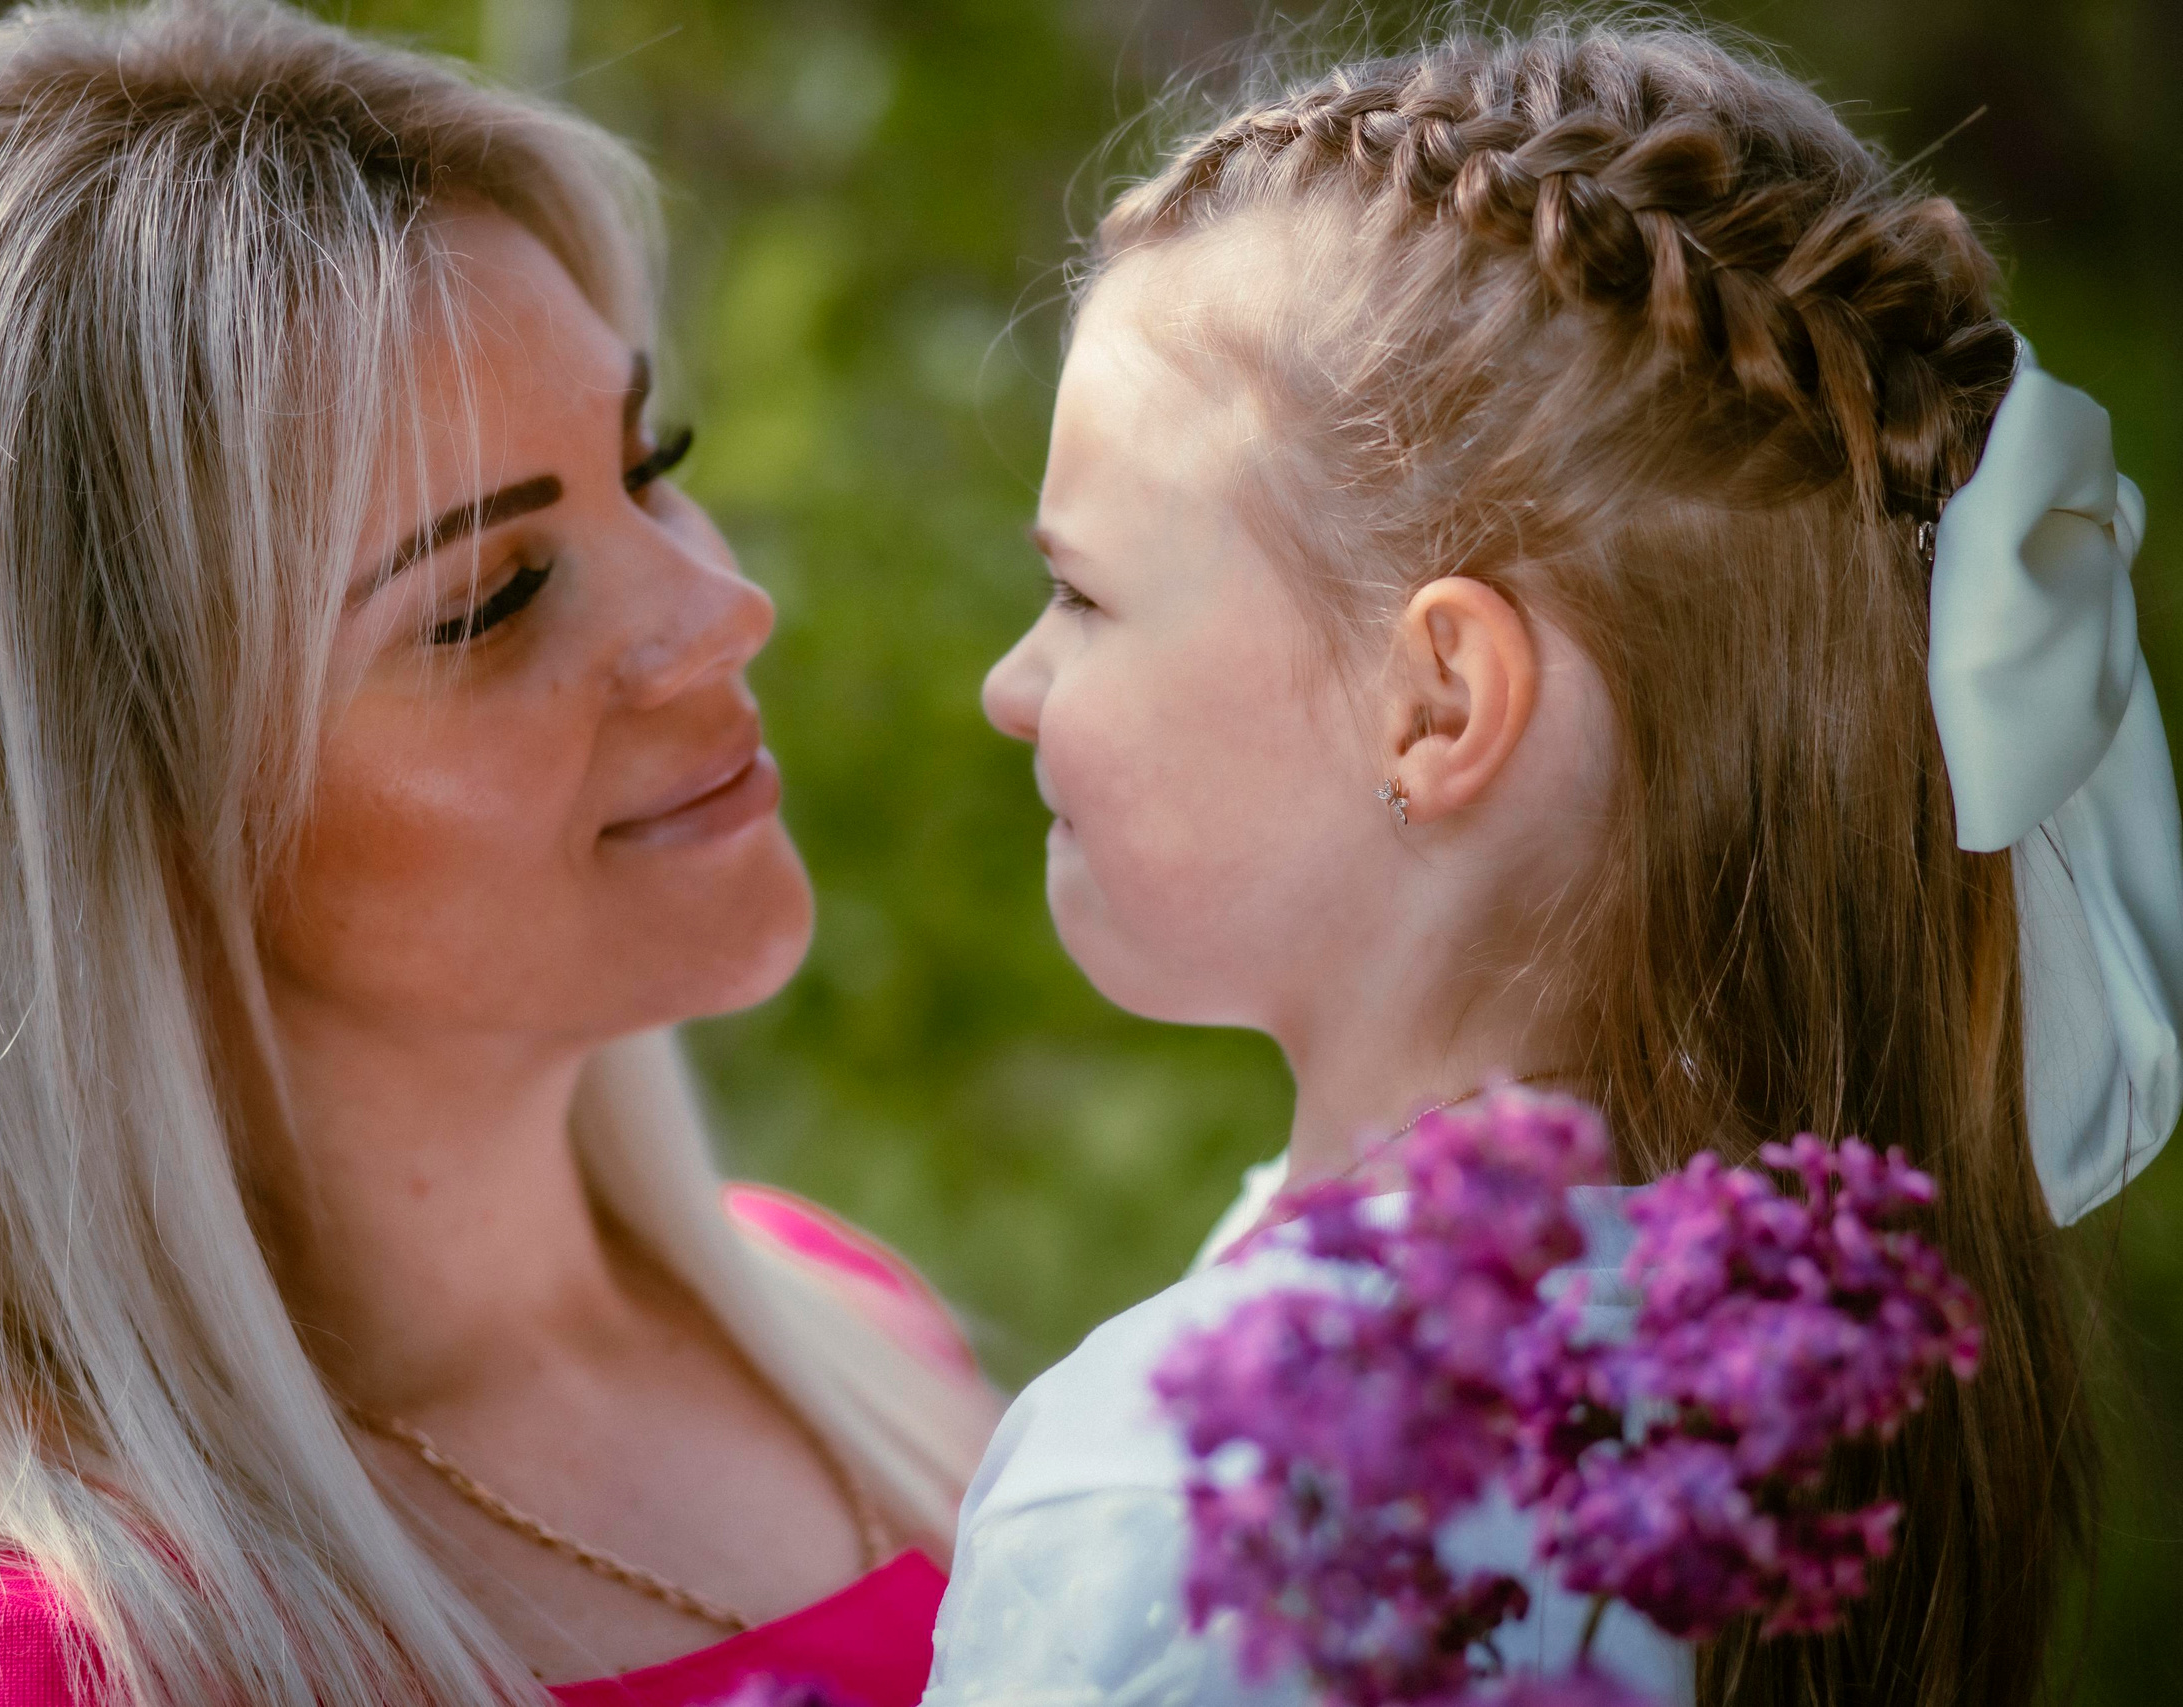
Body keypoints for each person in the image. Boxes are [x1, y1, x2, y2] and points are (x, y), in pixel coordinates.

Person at [0, 2, 999, 1702]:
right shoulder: (57, 1666)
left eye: (652, 470)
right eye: (487, 602)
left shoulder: (843, 1319)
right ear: (99, 841)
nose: (719, 611)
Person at [925, 17, 2176, 1707]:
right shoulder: (1820, 1379)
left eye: (1081, 597)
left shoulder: (1194, 1499)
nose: (1013, 685)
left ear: (1438, 704)